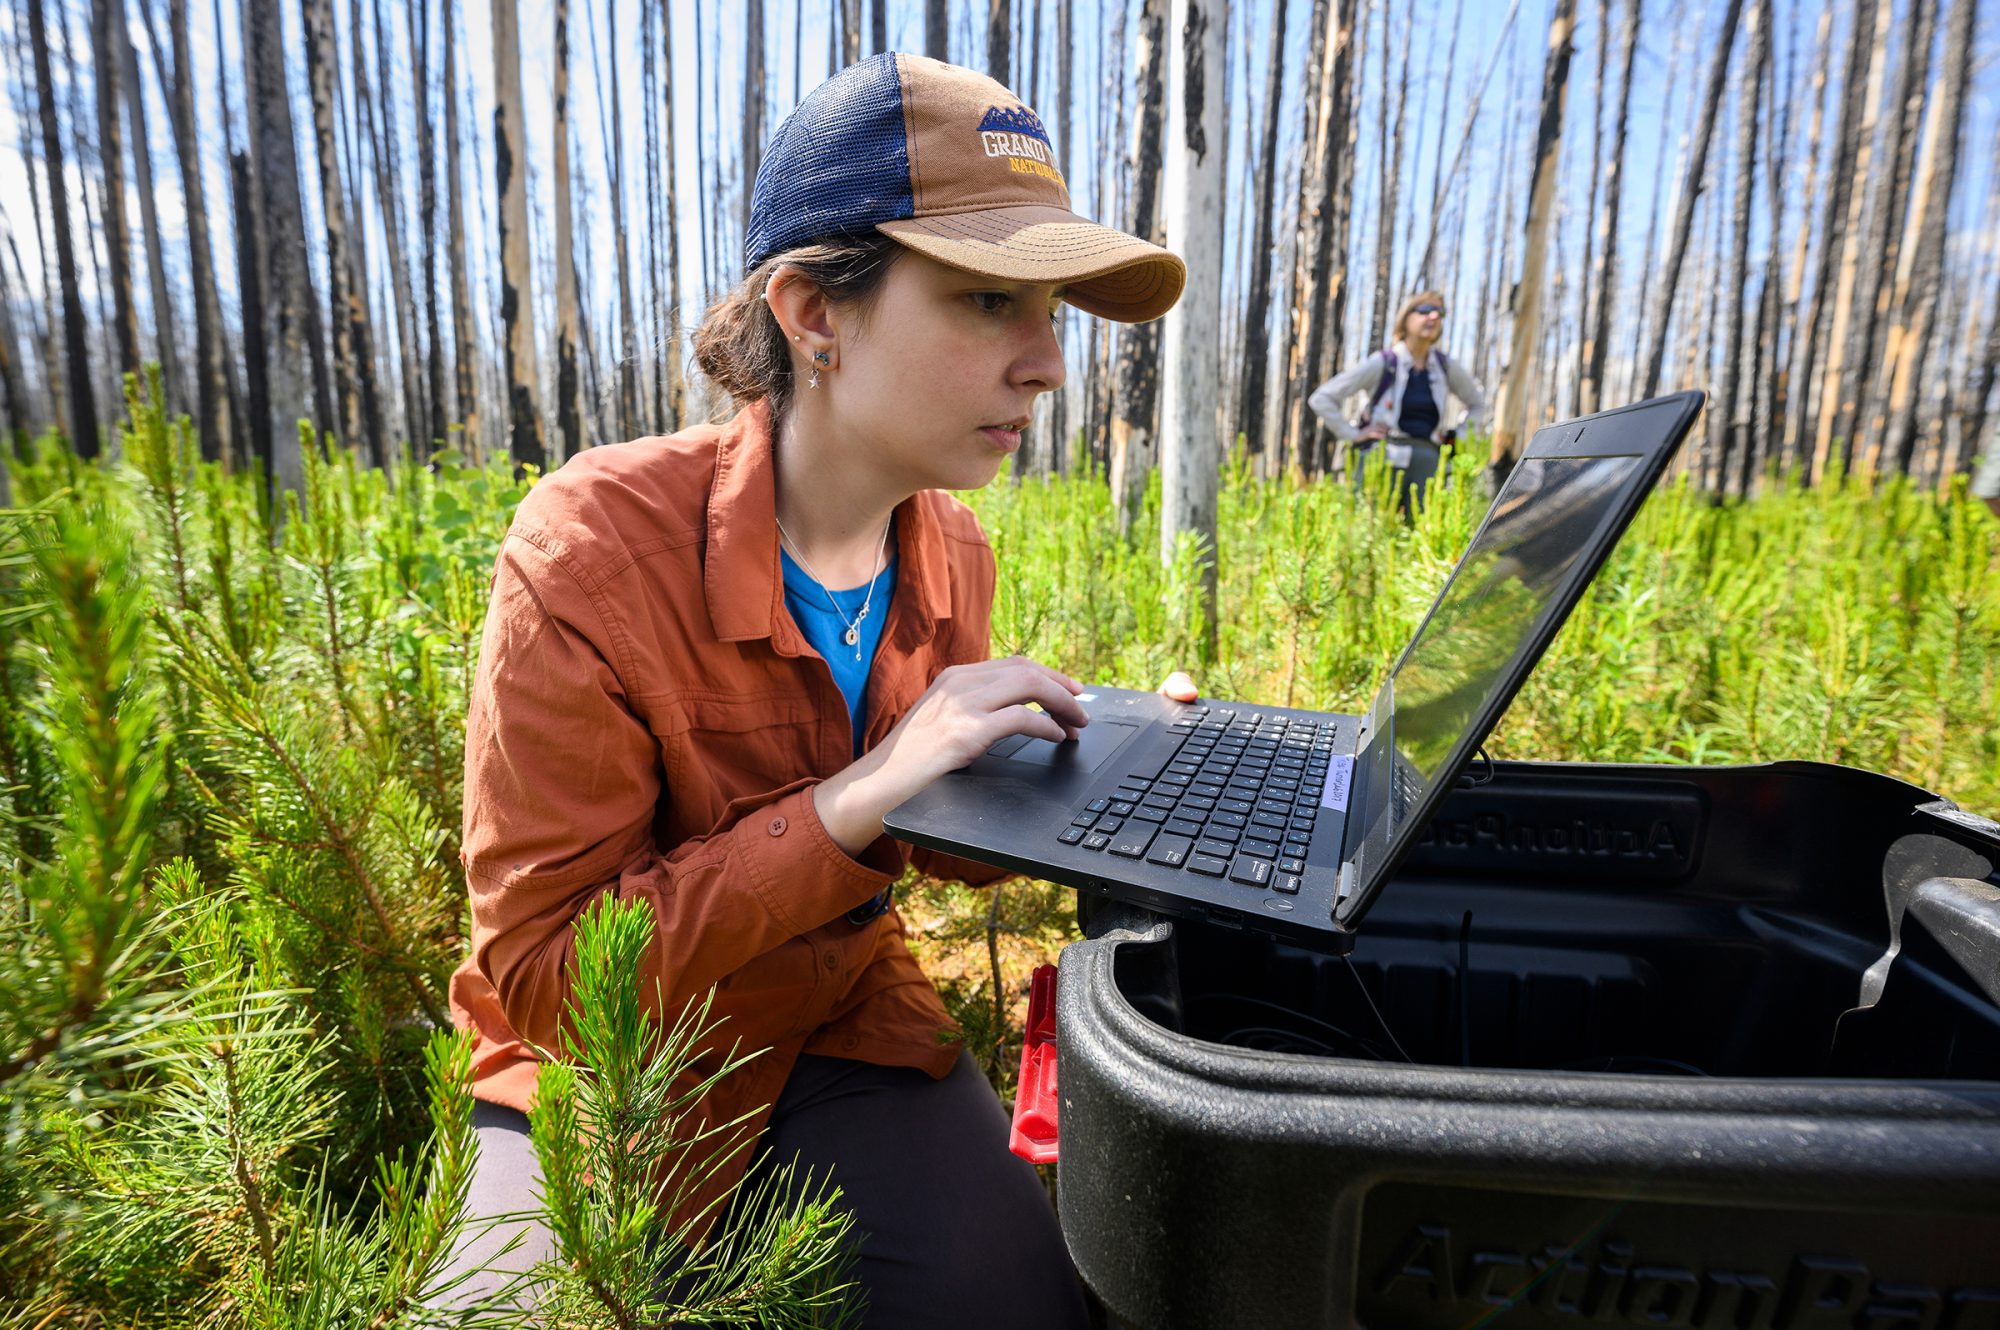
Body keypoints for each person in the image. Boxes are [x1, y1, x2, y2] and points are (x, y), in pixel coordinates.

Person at [437, 54, 1190, 1325]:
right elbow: (552, 975)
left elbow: (939, 850)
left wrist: (1086, 769)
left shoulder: (949, 547)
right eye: (988, 302)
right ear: (811, 313)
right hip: (597, 1074)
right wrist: (852, 802)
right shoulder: (591, 548)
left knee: (1029, 1307)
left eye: (1049, 308)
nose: (1047, 364)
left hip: (844, 1019)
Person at [1306, 290, 1489, 513]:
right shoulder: (1384, 363)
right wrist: (1353, 435)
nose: (1433, 317)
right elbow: (1322, 398)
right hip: (1382, 460)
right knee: (1370, 529)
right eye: (1424, 310)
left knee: (1424, 534)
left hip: (1429, 465)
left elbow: (1478, 404)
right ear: (1405, 318)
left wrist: (1458, 438)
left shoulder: (1445, 367)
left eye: (1439, 313)